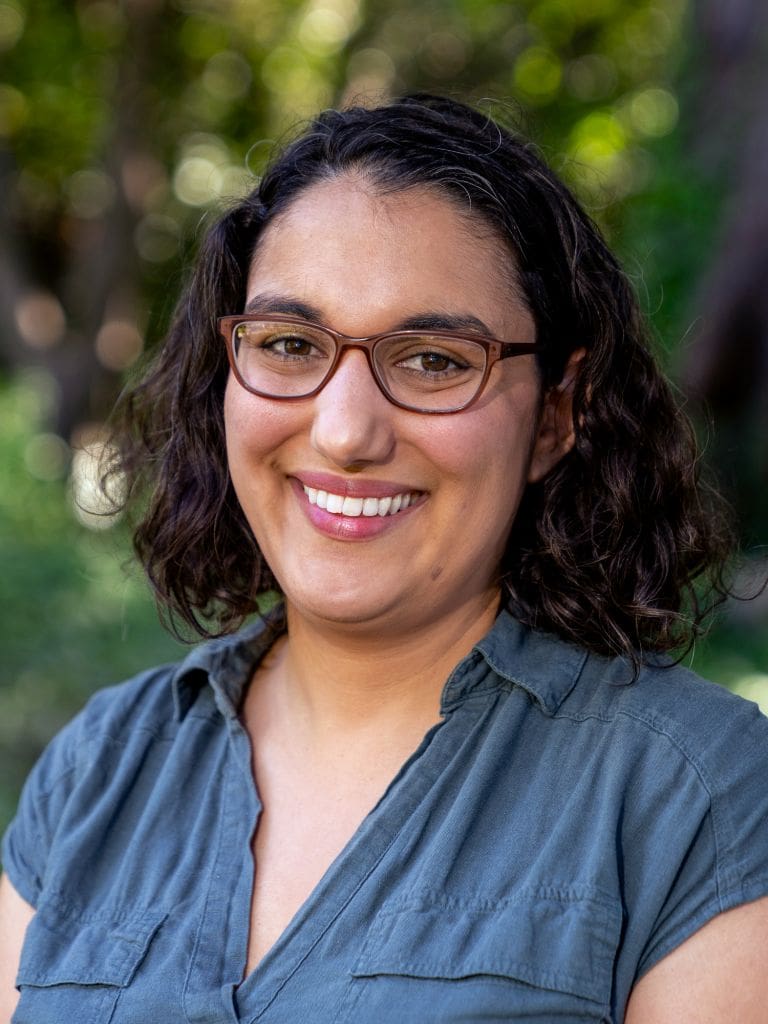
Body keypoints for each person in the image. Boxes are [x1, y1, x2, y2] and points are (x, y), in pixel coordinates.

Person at [1, 94, 767, 1024]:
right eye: (289, 344)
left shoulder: (696, 797)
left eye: (435, 360)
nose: (346, 430)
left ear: (556, 416)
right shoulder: (100, 770)